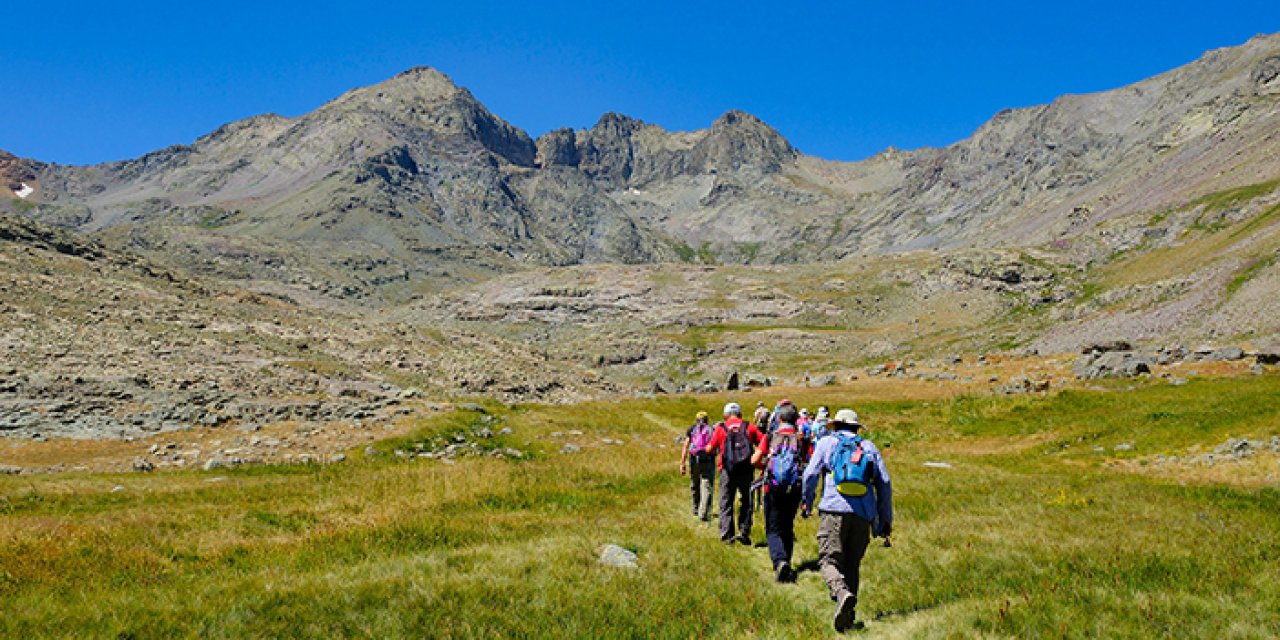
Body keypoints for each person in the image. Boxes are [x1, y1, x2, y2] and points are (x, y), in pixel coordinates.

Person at [802, 409, 893, 633]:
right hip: (863, 513)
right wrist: (884, 519)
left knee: (828, 561)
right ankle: (848, 619)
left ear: (836, 425)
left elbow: (810, 474)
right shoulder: (869, 447)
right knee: (852, 563)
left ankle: (842, 594)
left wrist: (808, 500)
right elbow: (884, 482)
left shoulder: (826, 443)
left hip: (833, 509)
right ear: (855, 427)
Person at [751, 402, 805, 582]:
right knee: (787, 526)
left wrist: (766, 466)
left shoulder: (771, 436)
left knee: (773, 528)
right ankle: (787, 561)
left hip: (772, 487)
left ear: (779, 418)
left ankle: (780, 561)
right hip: (794, 488)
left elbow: (754, 460)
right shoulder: (801, 438)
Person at [704, 402, 764, 545]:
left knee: (726, 502)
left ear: (725, 415)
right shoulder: (749, 427)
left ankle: (727, 535)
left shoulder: (721, 428)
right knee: (746, 501)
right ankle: (744, 530)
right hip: (746, 469)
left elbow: (709, 449)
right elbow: (763, 441)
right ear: (740, 414)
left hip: (727, 470)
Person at [680, 411, 716, 522]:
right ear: (707, 419)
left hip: (694, 460)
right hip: (708, 460)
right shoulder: (712, 430)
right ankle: (704, 511)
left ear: (696, 420)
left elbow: (686, 446)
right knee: (706, 484)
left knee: (695, 483)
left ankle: (696, 508)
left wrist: (682, 463)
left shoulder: (691, 430)